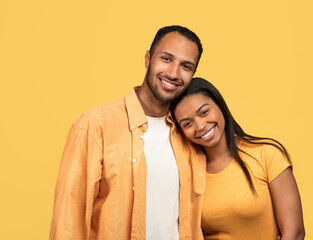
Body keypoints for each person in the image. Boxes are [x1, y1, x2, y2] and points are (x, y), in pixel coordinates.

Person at [50, 26, 206, 240]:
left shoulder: (190, 133)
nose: (173, 73)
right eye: (166, 59)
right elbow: (69, 221)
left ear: (193, 74)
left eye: (185, 66)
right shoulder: (95, 126)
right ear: (148, 59)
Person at [170, 78, 305, 240]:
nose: (200, 126)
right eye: (187, 124)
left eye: (204, 112)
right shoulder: (186, 176)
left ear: (220, 105)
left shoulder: (267, 154)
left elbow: (295, 233)